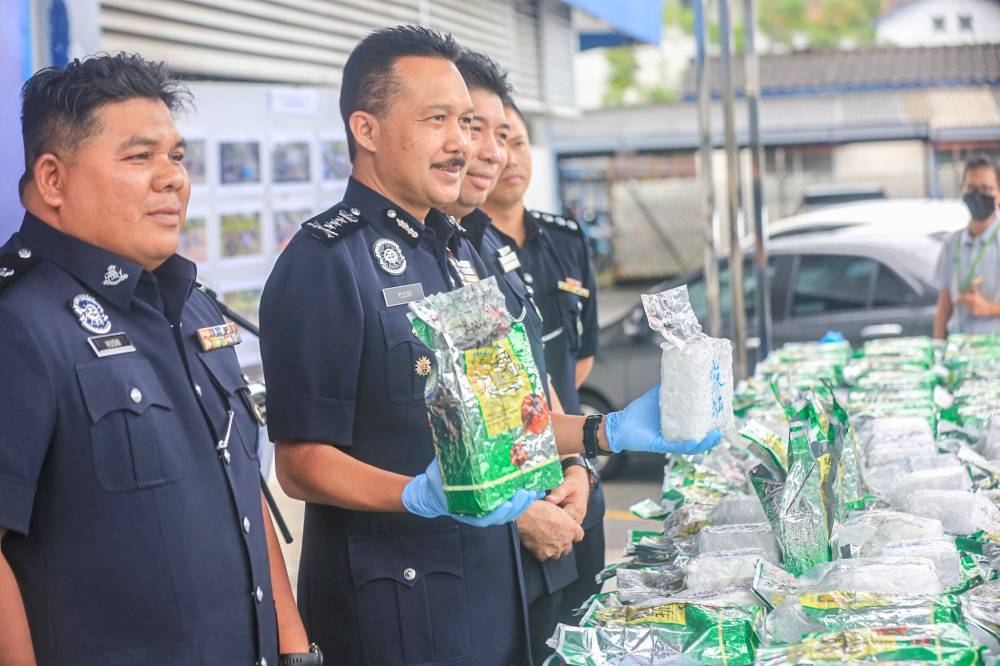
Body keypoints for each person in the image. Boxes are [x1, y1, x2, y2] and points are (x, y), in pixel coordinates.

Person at [259, 25, 720, 666]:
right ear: (366, 131)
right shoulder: (327, 262)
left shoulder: (462, 251)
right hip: (396, 610)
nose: (460, 144)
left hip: (492, 585)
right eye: (436, 120)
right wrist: (420, 494)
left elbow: (513, 424)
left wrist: (603, 434)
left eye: (467, 121)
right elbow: (300, 463)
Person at [0, 54, 311, 666]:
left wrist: (297, 649)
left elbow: (242, 488)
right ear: (54, 180)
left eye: (176, 157)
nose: (172, 179)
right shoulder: (18, 323)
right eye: (139, 157)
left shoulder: (189, 303)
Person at [438, 50, 590, 663]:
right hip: (461, 566)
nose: (491, 153)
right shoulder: (345, 261)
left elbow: (530, 387)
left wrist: (583, 460)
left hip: (550, 519)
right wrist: (514, 511)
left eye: (503, 135)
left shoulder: (474, 253)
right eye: (472, 129)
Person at [481, 101, 607, 625]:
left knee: (584, 626)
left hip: (574, 473)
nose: (507, 155)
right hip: (512, 496)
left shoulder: (564, 238)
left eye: (517, 140)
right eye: (491, 137)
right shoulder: (468, 251)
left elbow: (577, 359)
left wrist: (575, 454)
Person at [934, 154, 1000, 338]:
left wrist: (988, 308)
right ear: (962, 190)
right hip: (959, 350)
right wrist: (938, 345)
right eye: (971, 188)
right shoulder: (952, 243)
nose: (978, 195)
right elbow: (944, 302)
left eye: (986, 189)